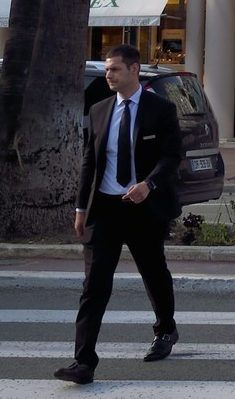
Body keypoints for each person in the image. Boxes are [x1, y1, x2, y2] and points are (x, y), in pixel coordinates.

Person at [55, 44, 184, 386]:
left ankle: (166, 330)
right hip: (106, 209)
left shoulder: (161, 109)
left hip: (143, 206)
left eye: (114, 69)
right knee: (94, 286)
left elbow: (172, 155)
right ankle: (83, 362)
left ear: (134, 70)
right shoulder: (99, 110)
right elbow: (90, 163)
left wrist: (149, 185)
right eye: (108, 69)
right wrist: (81, 208)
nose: (108, 75)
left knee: (153, 272)